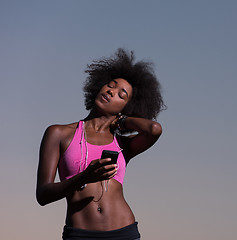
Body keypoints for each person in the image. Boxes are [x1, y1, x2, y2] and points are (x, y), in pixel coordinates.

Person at [36, 49, 165, 240]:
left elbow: (154, 129)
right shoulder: (58, 133)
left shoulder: (123, 144)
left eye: (121, 95)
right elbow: (43, 195)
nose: (111, 91)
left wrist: (122, 122)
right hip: (80, 234)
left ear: (127, 108)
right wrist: (83, 178)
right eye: (111, 85)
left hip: (124, 232)